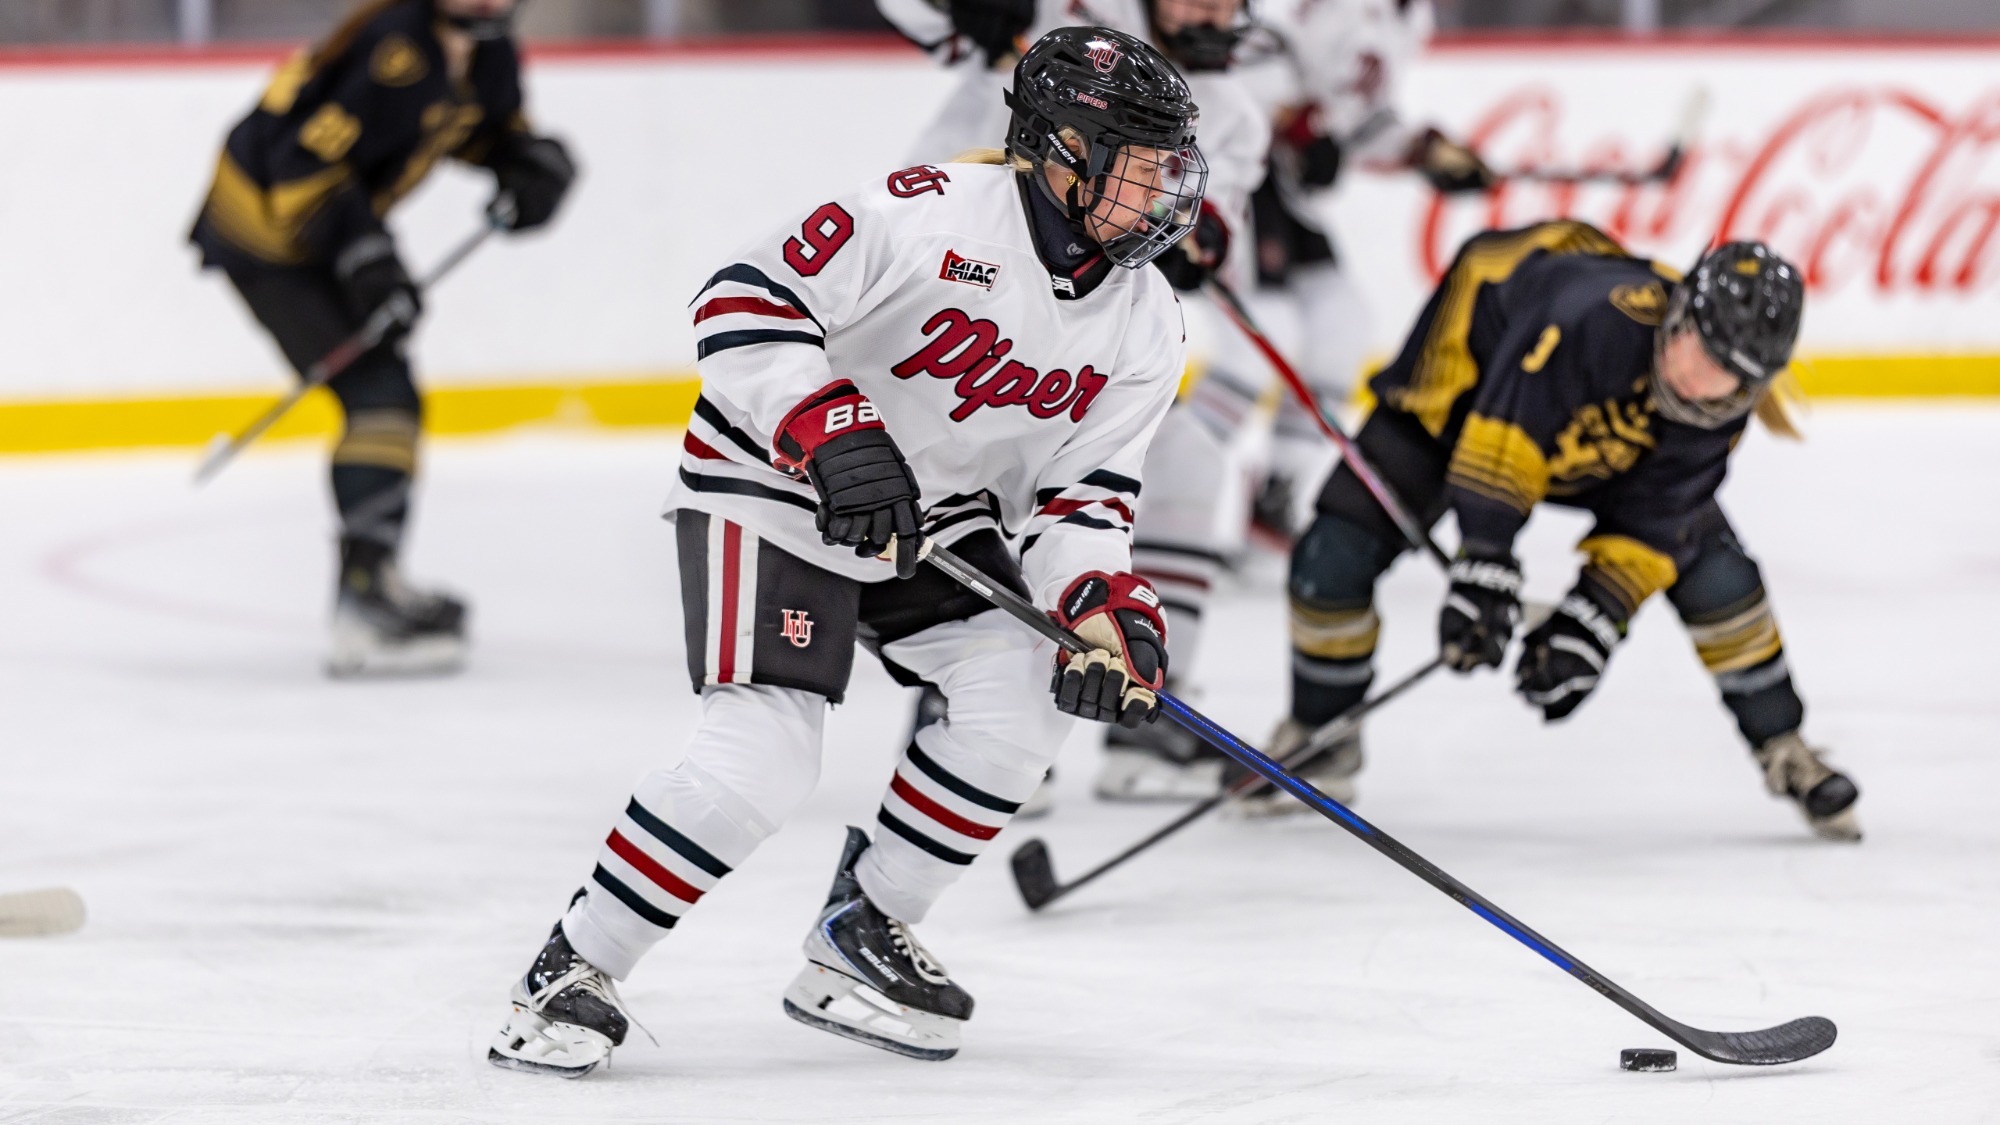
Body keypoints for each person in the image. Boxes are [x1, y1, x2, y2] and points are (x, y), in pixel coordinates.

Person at [486, 28, 1204, 1077]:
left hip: (934, 514)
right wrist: (831, 432)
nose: (1164, 194)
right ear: (1060, 151)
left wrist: (1100, 605)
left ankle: (862, 931)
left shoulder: (1149, 323)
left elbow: (1083, 498)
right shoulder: (927, 212)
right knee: (766, 755)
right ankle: (570, 967)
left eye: (1171, 167)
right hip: (774, 488)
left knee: (1023, 694)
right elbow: (742, 297)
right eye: (1139, 166)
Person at [1250, 220, 1861, 843]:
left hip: (1597, 441)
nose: (1699, 381)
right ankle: (1320, 739)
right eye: (1699, 349)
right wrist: (1486, 558)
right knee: (1333, 555)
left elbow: (1658, 520)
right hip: (1468, 389)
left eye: (1726, 374)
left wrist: (1592, 619)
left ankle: (1784, 745)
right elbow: (1504, 440)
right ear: (1679, 316)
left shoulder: (1719, 411)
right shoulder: (1592, 322)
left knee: (1716, 572)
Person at [877, 0, 1271, 807]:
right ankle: (961, 702)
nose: (1211, 11)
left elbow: (1202, 233)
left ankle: (1142, 704)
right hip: (951, 281)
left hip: (1074, 303)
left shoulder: (1232, 113)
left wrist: (1195, 239)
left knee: (1184, 463)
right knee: (986, 475)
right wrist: (976, 12)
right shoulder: (1071, 18)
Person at [1100, 0, 1496, 802]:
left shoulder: (1261, 94)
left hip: (1240, 198)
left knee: (1323, 339)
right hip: (1051, 284)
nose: (1213, 12)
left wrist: (1415, 149)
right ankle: (962, 710)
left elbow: (1315, 123)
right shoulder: (1126, 37)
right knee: (1259, 343)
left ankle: (1263, 510)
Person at [189, 0, 575, 676]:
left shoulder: (487, 53)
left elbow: (479, 129)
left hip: (316, 225)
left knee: (386, 394)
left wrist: (529, 166)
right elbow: (298, 165)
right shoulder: (395, 48)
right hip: (264, 231)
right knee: (379, 394)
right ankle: (364, 599)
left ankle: (372, 583)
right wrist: (367, 261)